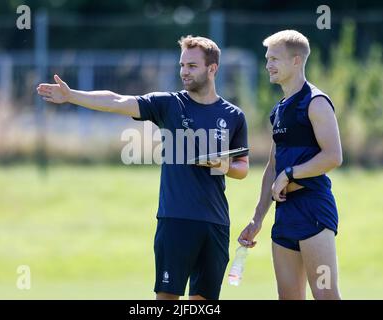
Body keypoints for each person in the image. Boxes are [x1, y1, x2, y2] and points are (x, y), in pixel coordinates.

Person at [37, 35, 249, 300]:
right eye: (182, 65)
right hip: (175, 220)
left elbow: (242, 168)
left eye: (192, 66)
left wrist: (219, 162)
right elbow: (116, 100)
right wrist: (72, 96)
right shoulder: (170, 104)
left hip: (216, 223)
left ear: (212, 68)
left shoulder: (233, 116)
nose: (184, 71)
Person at [238, 30, 342, 300]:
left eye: (274, 59)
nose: (268, 65)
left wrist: (291, 173)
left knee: (325, 295)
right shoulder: (279, 110)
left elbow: (333, 156)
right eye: (267, 59)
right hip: (284, 214)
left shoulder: (316, 103)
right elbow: (272, 167)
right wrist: (257, 218)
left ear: (297, 61)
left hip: (313, 209)